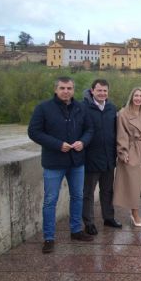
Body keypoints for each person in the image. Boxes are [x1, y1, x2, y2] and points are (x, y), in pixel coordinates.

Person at [28, 77, 95, 253]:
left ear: (74, 89)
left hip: (76, 161)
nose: (66, 91)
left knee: (77, 197)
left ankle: (76, 230)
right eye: (62, 88)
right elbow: (34, 132)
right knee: (50, 200)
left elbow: (89, 129)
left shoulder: (81, 107)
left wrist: (83, 142)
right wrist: (57, 144)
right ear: (55, 89)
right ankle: (49, 238)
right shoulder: (43, 108)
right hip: (54, 162)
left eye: (69, 88)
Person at [113, 87, 141, 227]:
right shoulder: (123, 114)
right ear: (131, 97)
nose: (138, 98)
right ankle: (135, 213)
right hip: (131, 150)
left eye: (140, 96)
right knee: (133, 183)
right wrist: (123, 152)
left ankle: (136, 213)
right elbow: (121, 134)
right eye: (136, 95)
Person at [81, 79, 121, 235]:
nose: (102, 93)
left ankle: (108, 217)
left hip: (108, 157)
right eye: (99, 91)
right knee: (88, 193)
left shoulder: (111, 108)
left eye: (105, 91)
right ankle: (89, 222)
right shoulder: (83, 108)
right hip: (90, 157)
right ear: (92, 91)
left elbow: (116, 131)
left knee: (107, 190)